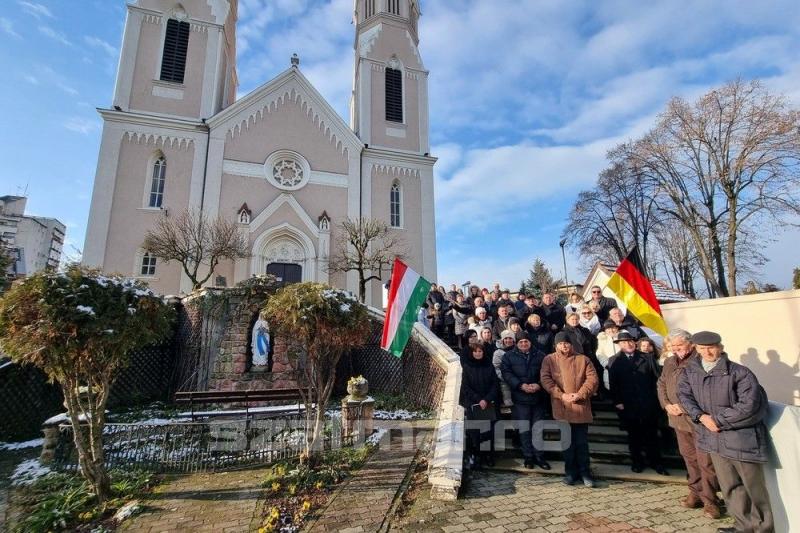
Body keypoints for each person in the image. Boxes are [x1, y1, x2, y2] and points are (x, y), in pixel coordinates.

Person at [678, 331, 774, 533]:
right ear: (696, 349)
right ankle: (743, 526)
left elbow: (750, 405)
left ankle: (764, 528)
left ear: (720, 347)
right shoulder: (690, 372)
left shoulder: (740, 372)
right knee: (730, 487)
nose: (708, 352)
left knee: (754, 489)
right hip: (713, 440)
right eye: (703, 348)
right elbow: (684, 396)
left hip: (741, 440)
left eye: (712, 347)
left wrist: (718, 421)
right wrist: (701, 417)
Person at [657, 329, 721, 519]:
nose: (676, 349)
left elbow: (706, 391)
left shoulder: (700, 360)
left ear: (690, 344)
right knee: (689, 458)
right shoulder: (669, 362)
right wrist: (667, 405)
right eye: (673, 346)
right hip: (677, 420)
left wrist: (685, 407)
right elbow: (661, 384)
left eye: (679, 345)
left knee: (706, 462)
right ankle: (695, 493)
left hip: (698, 420)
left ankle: (711, 500)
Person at [541, 331, 599, 487]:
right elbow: (546, 379)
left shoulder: (583, 359)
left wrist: (580, 394)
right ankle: (570, 473)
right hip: (562, 407)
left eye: (566, 343)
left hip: (580, 407)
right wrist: (561, 395)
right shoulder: (549, 359)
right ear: (556, 345)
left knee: (581, 443)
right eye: (560, 343)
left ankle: (585, 473)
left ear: (571, 344)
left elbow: (592, 379)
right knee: (567, 444)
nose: (563, 346)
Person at [607, 331, 668, 475]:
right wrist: (618, 401)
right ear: (619, 345)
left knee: (651, 435)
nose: (627, 344)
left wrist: (658, 400)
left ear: (634, 342)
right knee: (634, 436)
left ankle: (656, 462)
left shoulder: (647, 358)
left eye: (630, 341)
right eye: (623, 342)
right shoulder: (614, 360)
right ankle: (637, 462)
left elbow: (657, 380)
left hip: (648, 403)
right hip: (628, 404)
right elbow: (613, 383)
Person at [501, 332, 550, 470]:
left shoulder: (541, 355)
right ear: (516, 343)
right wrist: (520, 385)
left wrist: (539, 384)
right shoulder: (508, 356)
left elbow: (547, 373)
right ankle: (528, 456)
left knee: (538, 429)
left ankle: (539, 456)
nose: (523, 344)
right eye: (521, 342)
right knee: (524, 429)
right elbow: (506, 373)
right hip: (520, 398)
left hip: (538, 398)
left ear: (530, 342)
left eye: (526, 342)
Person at [459, 343, 499, 469]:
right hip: (473, 404)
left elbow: (495, 384)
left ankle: (488, 456)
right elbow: (466, 387)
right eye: (475, 351)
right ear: (471, 353)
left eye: (480, 351)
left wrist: (486, 399)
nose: (478, 353)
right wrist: (478, 399)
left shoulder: (489, 365)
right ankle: (477, 457)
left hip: (487, 404)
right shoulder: (467, 367)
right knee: (475, 432)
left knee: (488, 432)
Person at [493, 330, 517, 411]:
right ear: (502, 340)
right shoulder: (498, 353)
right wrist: (507, 378)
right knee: (508, 403)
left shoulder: (518, 350)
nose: (508, 340)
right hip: (504, 380)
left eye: (510, 338)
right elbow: (496, 367)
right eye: (506, 338)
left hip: (518, 380)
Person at [595, 320, 620, 391]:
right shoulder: (602, 339)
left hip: (623, 366)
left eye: (613, 328)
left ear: (617, 328)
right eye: (608, 329)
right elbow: (599, 354)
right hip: (609, 367)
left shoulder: (622, 337)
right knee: (613, 389)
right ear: (605, 330)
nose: (611, 330)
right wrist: (606, 364)